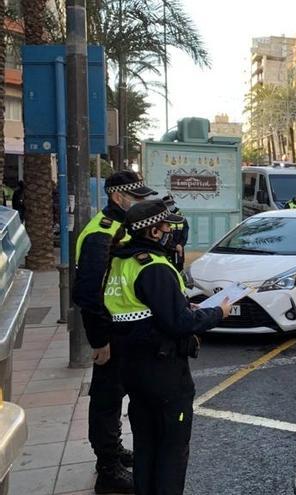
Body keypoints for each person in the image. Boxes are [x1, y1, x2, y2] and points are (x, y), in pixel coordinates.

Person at [104, 199, 231, 495]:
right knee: (172, 450)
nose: (169, 230)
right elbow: (178, 323)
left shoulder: (121, 261)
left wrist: (183, 305)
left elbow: (144, 307)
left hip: (132, 369)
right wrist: (217, 313)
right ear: (151, 231)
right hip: (163, 373)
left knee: (146, 444)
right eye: (165, 225)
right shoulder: (154, 267)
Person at [73, 170, 158, 493]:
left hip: (125, 330)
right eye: (136, 198)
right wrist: (99, 339)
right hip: (110, 333)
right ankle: (107, 467)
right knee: (106, 398)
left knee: (118, 392)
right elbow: (88, 292)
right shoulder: (101, 233)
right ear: (118, 197)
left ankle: (114, 450)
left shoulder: (121, 226)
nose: (140, 203)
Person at [162, 195, 189, 273]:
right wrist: (174, 245)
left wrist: (181, 244)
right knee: (169, 268)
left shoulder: (180, 214)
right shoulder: (163, 216)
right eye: (169, 204)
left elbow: (185, 230)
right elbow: (163, 233)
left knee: (179, 268)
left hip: (180, 248)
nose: (171, 205)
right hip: (168, 248)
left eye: (172, 203)